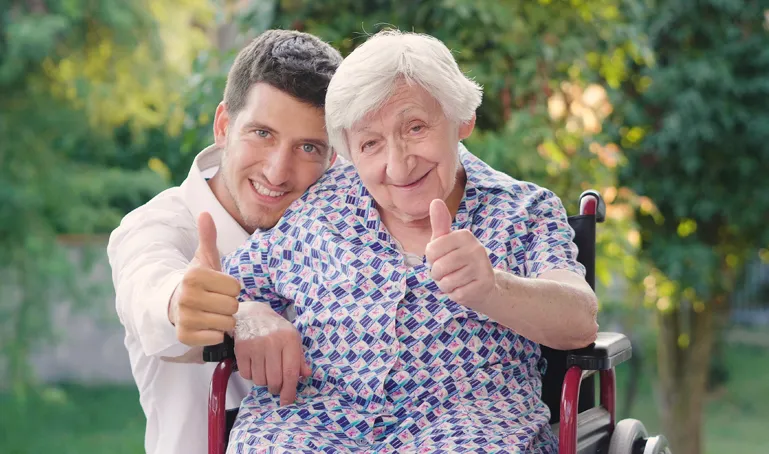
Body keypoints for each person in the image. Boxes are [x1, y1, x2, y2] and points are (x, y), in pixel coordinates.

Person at [221, 30, 599, 453]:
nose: (398, 166)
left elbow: (580, 321)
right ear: (346, 151)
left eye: (415, 128)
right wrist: (249, 312)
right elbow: (228, 288)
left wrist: (494, 289)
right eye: (370, 143)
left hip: (468, 425)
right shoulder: (318, 207)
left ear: (462, 119)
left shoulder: (522, 212)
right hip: (314, 421)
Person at [107, 29, 341, 454]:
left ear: (334, 159)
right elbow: (148, 286)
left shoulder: (348, 233)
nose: (277, 171)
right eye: (262, 134)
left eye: (308, 147)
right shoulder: (157, 226)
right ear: (223, 126)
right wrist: (220, 308)